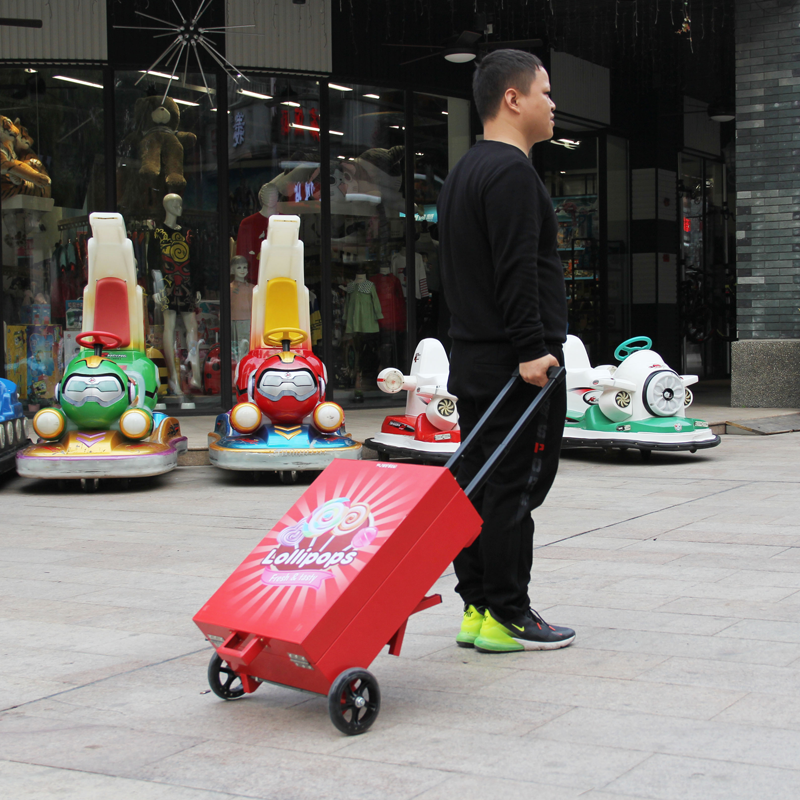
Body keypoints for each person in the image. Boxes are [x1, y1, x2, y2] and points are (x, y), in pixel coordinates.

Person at [438, 50, 575, 653]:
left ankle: (476, 608)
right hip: (516, 363)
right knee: (515, 487)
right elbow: (517, 271)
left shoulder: (465, 171)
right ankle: (507, 613)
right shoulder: (514, 173)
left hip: (473, 356)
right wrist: (532, 350)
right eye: (545, 92)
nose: (553, 104)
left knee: (476, 481)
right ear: (513, 99)